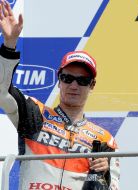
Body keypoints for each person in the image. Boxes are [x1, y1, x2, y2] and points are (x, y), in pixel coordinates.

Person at [0, 1, 120, 189]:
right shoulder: (34, 114)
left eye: (82, 81)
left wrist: (103, 175)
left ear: (92, 85)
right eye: (68, 78)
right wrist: (9, 44)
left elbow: (111, 187)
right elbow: (2, 90)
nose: (74, 85)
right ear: (59, 79)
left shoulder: (104, 139)